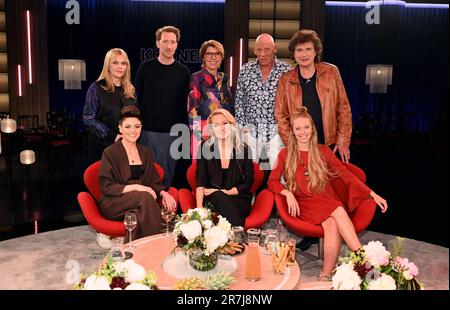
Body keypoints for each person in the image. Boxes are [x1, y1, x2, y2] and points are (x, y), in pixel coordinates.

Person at [268, 107, 388, 280]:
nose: (303, 132)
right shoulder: (285, 154)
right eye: (298, 128)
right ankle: (364, 262)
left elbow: (345, 175)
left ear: (312, 129)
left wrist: (371, 193)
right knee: (337, 209)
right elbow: (272, 181)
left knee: (332, 223)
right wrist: (286, 192)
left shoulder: (323, 151)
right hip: (305, 203)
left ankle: (325, 275)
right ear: (293, 132)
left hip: (325, 199)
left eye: (306, 127)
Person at [275, 29, 353, 250]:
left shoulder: (331, 72)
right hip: (300, 144)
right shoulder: (287, 79)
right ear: (294, 54)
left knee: (328, 189)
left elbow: (343, 107)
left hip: (327, 143)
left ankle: (334, 229)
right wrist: (292, 143)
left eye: (308, 49)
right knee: (306, 189)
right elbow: (280, 115)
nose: (304, 54)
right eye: (299, 50)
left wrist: (344, 138)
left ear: (316, 51)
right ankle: (311, 232)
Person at [98, 105, 177, 241]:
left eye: (137, 126)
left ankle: (133, 250)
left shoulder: (145, 152)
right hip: (114, 201)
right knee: (145, 197)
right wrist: (138, 187)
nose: (133, 131)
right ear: (120, 128)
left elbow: (154, 181)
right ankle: (163, 240)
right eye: (128, 127)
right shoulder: (110, 153)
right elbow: (106, 186)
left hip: (138, 202)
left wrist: (164, 193)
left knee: (136, 214)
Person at [135, 25, 191, 186]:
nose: (169, 46)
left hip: (173, 134)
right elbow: (136, 98)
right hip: (147, 133)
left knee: (169, 179)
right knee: (147, 176)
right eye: (165, 41)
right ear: (157, 43)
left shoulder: (183, 72)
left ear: (177, 44)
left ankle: (168, 211)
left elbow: (184, 105)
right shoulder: (145, 68)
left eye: (173, 42)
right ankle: (149, 209)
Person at [235, 33, 292, 170]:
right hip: (251, 133)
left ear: (275, 49)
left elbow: (292, 103)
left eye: (267, 49)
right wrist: (242, 129)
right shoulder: (245, 70)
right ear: (254, 50)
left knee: (279, 175)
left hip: (277, 133)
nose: (263, 54)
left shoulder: (287, 71)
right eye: (259, 50)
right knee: (248, 176)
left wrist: (287, 130)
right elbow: (239, 102)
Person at [196, 109, 254, 227]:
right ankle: (237, 237)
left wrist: (224, 192)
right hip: (213, 200)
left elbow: (248, 183)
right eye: (216, 125)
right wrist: (199, 208)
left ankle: (226, 238)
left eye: (225, 123)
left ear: (232, 125)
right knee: (218, 199)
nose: (221, 128)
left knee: (221, 201)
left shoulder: (244, 149)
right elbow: (200, 180)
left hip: (238, 199)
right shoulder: (204, 147)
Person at [83, 48, 137, 164]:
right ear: (108, 65)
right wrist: (113, 136)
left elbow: (135, 117)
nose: (120, 66)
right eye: (115, 63)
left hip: (126, 147)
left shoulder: (130, 90)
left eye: (123, 63)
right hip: (102, 147)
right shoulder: (96, 88)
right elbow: (88, 119)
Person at [188, 40, 233, 159]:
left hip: (223, 132)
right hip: (203, 131)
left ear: (221, 57)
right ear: (203, 56)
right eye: (209, 54)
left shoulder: (224, 78)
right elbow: (193, 110)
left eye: (217, 54)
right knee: (201, 173)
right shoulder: (196, 78)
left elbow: (229, 107)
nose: (213, 57)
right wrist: (198, 137)